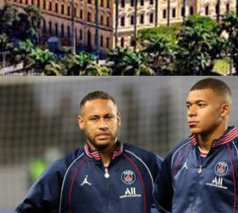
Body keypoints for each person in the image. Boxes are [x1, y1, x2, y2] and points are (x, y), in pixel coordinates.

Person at [153, 78, 238, 213]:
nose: (191, 112)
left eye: (201, 105)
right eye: (189, 105)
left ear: (224, 110)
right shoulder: (177, 155)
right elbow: (159, 206)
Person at [16, 91, 162, 213]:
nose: (102, 125)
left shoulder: (148, 163)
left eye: (108, 117)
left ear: (118, 120)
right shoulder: (63, 170)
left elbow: (181, 199)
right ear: (81, 122)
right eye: (94, 119)